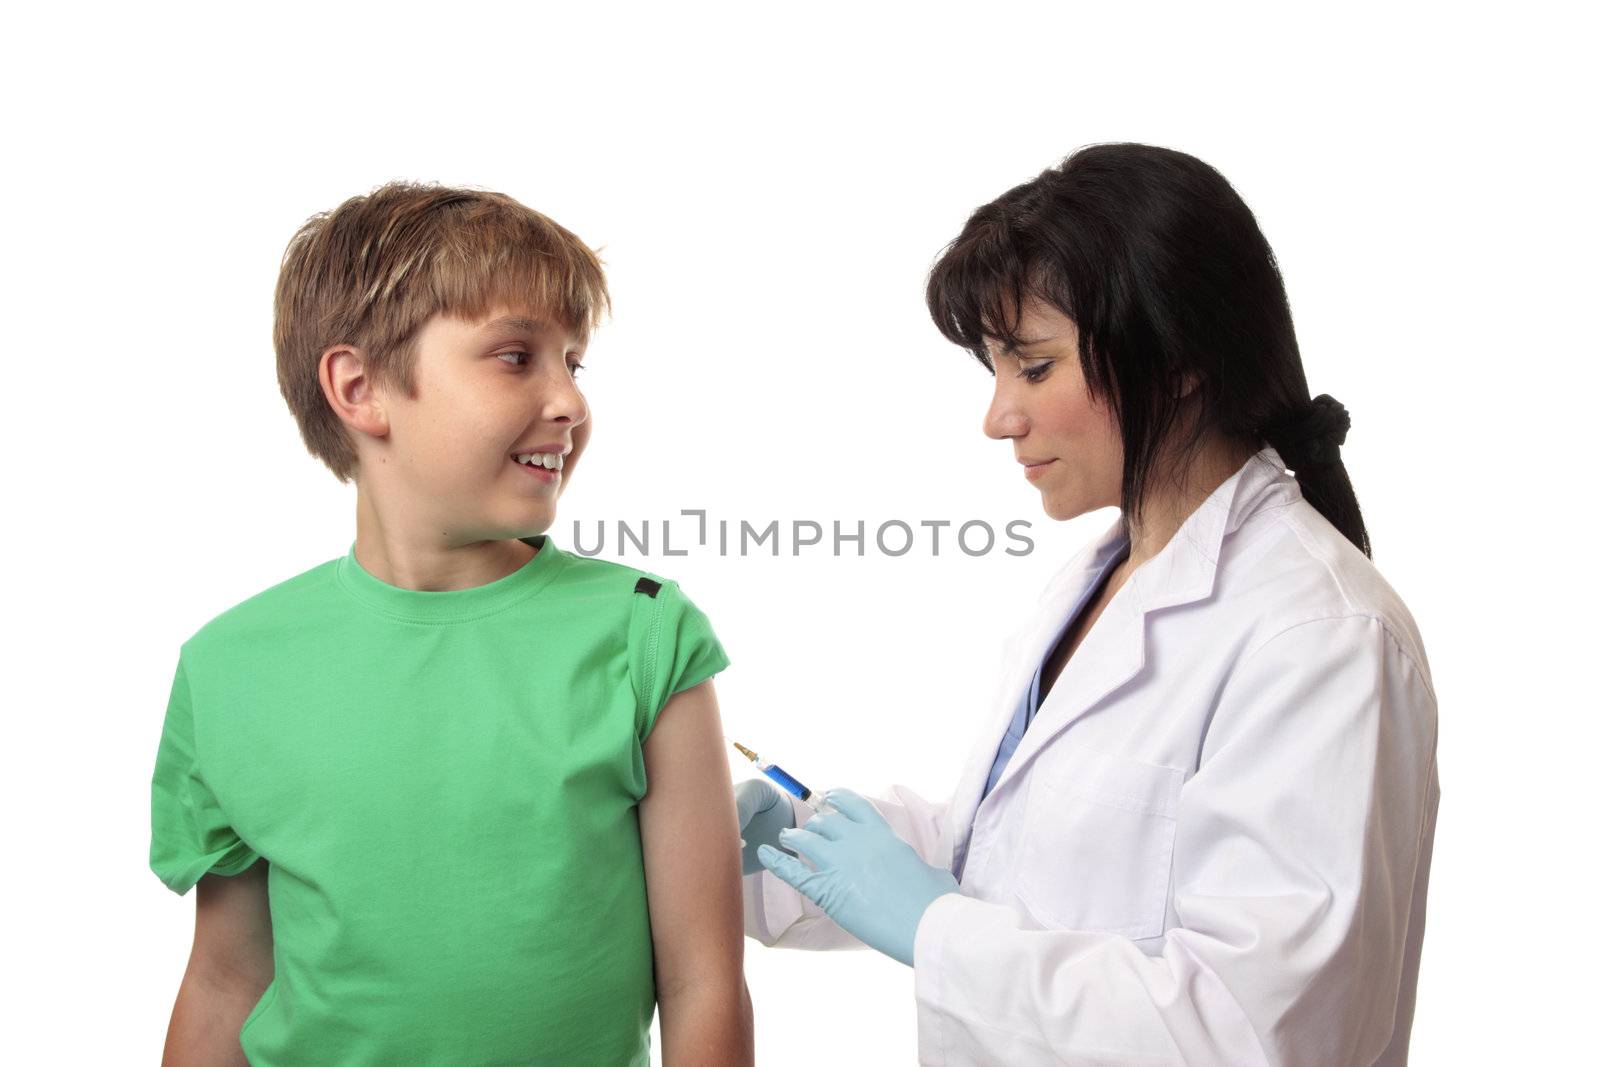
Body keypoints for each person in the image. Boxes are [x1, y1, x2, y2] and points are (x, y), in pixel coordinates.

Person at [737, 143, 1439, 1066]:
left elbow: (1253, 1031)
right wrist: (798, 851)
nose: (998, 416)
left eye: (1033, 367)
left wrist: (934, 926)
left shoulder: (1320, 636)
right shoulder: (1099, 580)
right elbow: (1009, 853)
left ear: (1177, 357)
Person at [148, 181, 753, 1066]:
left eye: (573, 364)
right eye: (516, 357)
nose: (570, 402)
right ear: (360, 388)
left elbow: (702, 981)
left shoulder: (644, 637)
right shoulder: (229, 667)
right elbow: (226, 981)